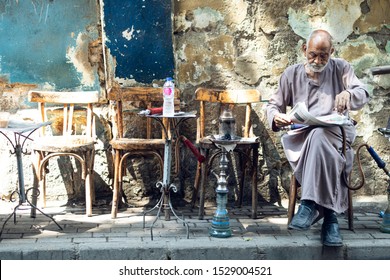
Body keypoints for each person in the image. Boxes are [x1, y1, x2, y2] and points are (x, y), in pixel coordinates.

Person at [266, 29, 369, 246]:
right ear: (304, 49)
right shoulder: (291, 74)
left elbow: (363, 91)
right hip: (303, 139)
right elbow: (273, 105)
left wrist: (349, 94)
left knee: (321, 134)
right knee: (317, 137)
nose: (317, 60)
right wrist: (277, 116)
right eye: (313, 54)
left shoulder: (342, 68)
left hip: (337, 135)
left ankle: (309, 204)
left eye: (324, 55)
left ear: (332, 51)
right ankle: (330, 220)